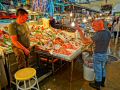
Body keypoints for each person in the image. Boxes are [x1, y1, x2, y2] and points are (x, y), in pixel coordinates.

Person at [77, 19, 111, 90]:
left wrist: (80, 31)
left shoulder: (98, 34)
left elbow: (85, 41)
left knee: (98, 70)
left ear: (99, 26)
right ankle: (102, 82)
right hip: (105, 53)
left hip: (98, 54)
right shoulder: (108, 32)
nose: (93, 28)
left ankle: (97, 84)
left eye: (94, 26)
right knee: (103, 68)